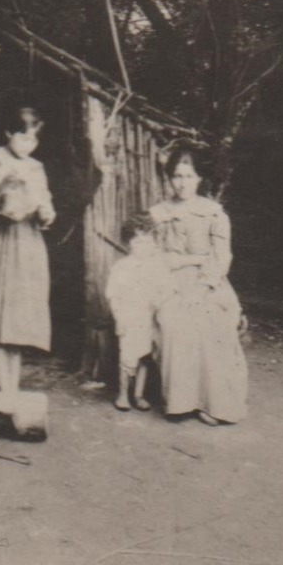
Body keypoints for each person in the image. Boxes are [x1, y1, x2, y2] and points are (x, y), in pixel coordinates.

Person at [149, 150, 249, 425]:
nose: (182, 183)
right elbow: (151, 254)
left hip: (208, 281)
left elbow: (220, 257)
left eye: (188, 176)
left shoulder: (213, 213)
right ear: (170, 179)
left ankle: (213, 403)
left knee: (212, 321)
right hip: (169, 280)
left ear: (199, 179)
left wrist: (202, 287)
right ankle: (181, 402)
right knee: (173, 320)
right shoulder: (158, 213)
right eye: (177, 176)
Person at [0, 106, 56, 392]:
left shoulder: (36, 168)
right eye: (23, 138)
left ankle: (12, 387)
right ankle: (4, 388)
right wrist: (8, 170)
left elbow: (46, 207)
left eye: (34, 140)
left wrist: (45, 211)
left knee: (18, 314)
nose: (28, 145)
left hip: (27, 245)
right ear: (9, 133)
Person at [105, 212, 174, 412]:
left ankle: (139, 394)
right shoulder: (121, 267)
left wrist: (158, 302)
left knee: (146, 356)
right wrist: (118, 316)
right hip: (129, 317)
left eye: (146, 242)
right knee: (127, 357)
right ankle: (123, 394)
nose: (141, 247)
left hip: (149, 317)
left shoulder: (157, 267)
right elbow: (113, 294)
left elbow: (168, 288)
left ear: (153, 244)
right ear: (128, 243)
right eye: (137, 242)